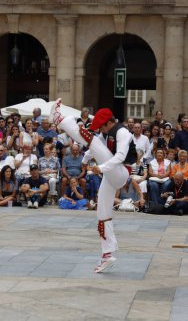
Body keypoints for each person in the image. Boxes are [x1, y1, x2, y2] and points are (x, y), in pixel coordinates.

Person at [49, 98, 136, 273]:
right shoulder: (107, 132)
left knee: (91, 139)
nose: (101, 130)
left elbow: (119, 156)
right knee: (102, 212)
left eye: (103, 126)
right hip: (111, 174)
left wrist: (100, 168)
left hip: (121, 172)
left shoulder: (123, 133)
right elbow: (98, 149)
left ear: (110, 122)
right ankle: (107, 254)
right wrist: (85, 158)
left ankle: (60, 119)